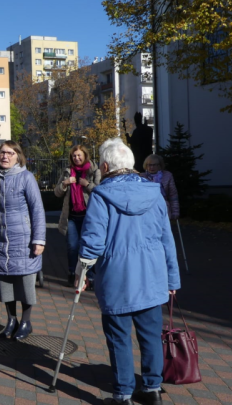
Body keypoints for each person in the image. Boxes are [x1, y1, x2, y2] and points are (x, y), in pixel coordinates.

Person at [77, 138, 180, 405]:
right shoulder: (154, 192)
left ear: (106, 165)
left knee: (119, 338)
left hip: (116, 279)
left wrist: (82, 272)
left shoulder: (101, 195)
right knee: (150, 337)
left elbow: (93, 240)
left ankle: (123, 395)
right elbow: (166, 238)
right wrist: (172, 279)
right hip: (152, 278)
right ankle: (152, 389)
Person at [0, 141, 46, 341]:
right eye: (2, 152)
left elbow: (37, 210)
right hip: (0, 240)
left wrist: (39, 239)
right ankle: (11, 320)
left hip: (24, 240)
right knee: (6, 282)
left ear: (18, 156)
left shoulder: (26, 177)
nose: (5, 156)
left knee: (25, 281)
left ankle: (26, 322)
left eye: (10, 153)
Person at [54, 144, 101, 286]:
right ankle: (72, 273)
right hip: (72, 216)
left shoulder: (94, 170)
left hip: (89, 216)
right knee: (72, 246)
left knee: (88, 246)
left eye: (79, 155)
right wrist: (64, 184)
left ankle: (90, 276)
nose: (77, 158)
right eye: (74, 156)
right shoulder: (68, 171)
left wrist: (87, 184)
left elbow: (100, 192)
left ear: (85, 155)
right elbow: (57, 192)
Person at [140, 154, 179, 220]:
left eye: (154, 165)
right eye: (149, 165)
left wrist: (175, 212)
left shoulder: (167, 175)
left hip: (163, 206)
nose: (151, 167)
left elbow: (173, 195)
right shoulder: (141, 177)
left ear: (160, 165)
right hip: (147, 208)